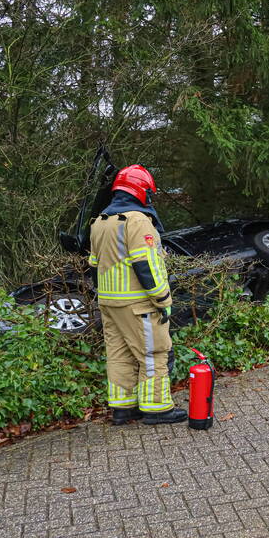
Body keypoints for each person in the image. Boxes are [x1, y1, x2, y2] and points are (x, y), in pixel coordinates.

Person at [88, 165, 187, 425]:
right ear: (141, 191)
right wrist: (163, 299)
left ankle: (123, 408)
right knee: (154, 353)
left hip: (109, 302)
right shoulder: (137, 220)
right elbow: (146, 265)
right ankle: (157, 409)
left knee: (119, 354)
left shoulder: (100, 221)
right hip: (137, 303)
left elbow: (94, 263)